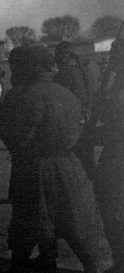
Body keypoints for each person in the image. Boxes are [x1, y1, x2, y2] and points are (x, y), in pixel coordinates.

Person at [0, 46, 110, 273]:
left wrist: (0, 111)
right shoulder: (65, 93)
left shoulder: (21, 95)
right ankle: (91, 268)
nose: (11, 71)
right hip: (68, 165)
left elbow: (17, 138)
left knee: (29, 219)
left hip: (33, 168)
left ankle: (21, 268)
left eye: (14, 66)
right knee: (74, 220)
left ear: (26, 67)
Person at [94, 37, 124, 273]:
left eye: (117, 53)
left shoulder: (118, 85)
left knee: (111, 209)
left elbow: (111, 118)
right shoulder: (115, 82)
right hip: (115, 151)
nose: (112, 58)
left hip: (119, 153)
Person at [53, 41, 97, 180]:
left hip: (71, 125)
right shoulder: (87, 72)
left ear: (65, 56)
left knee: (72, 168)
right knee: (87, 163)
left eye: (58, 57)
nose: (57, 61)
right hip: (88, 121)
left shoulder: (63, 75)